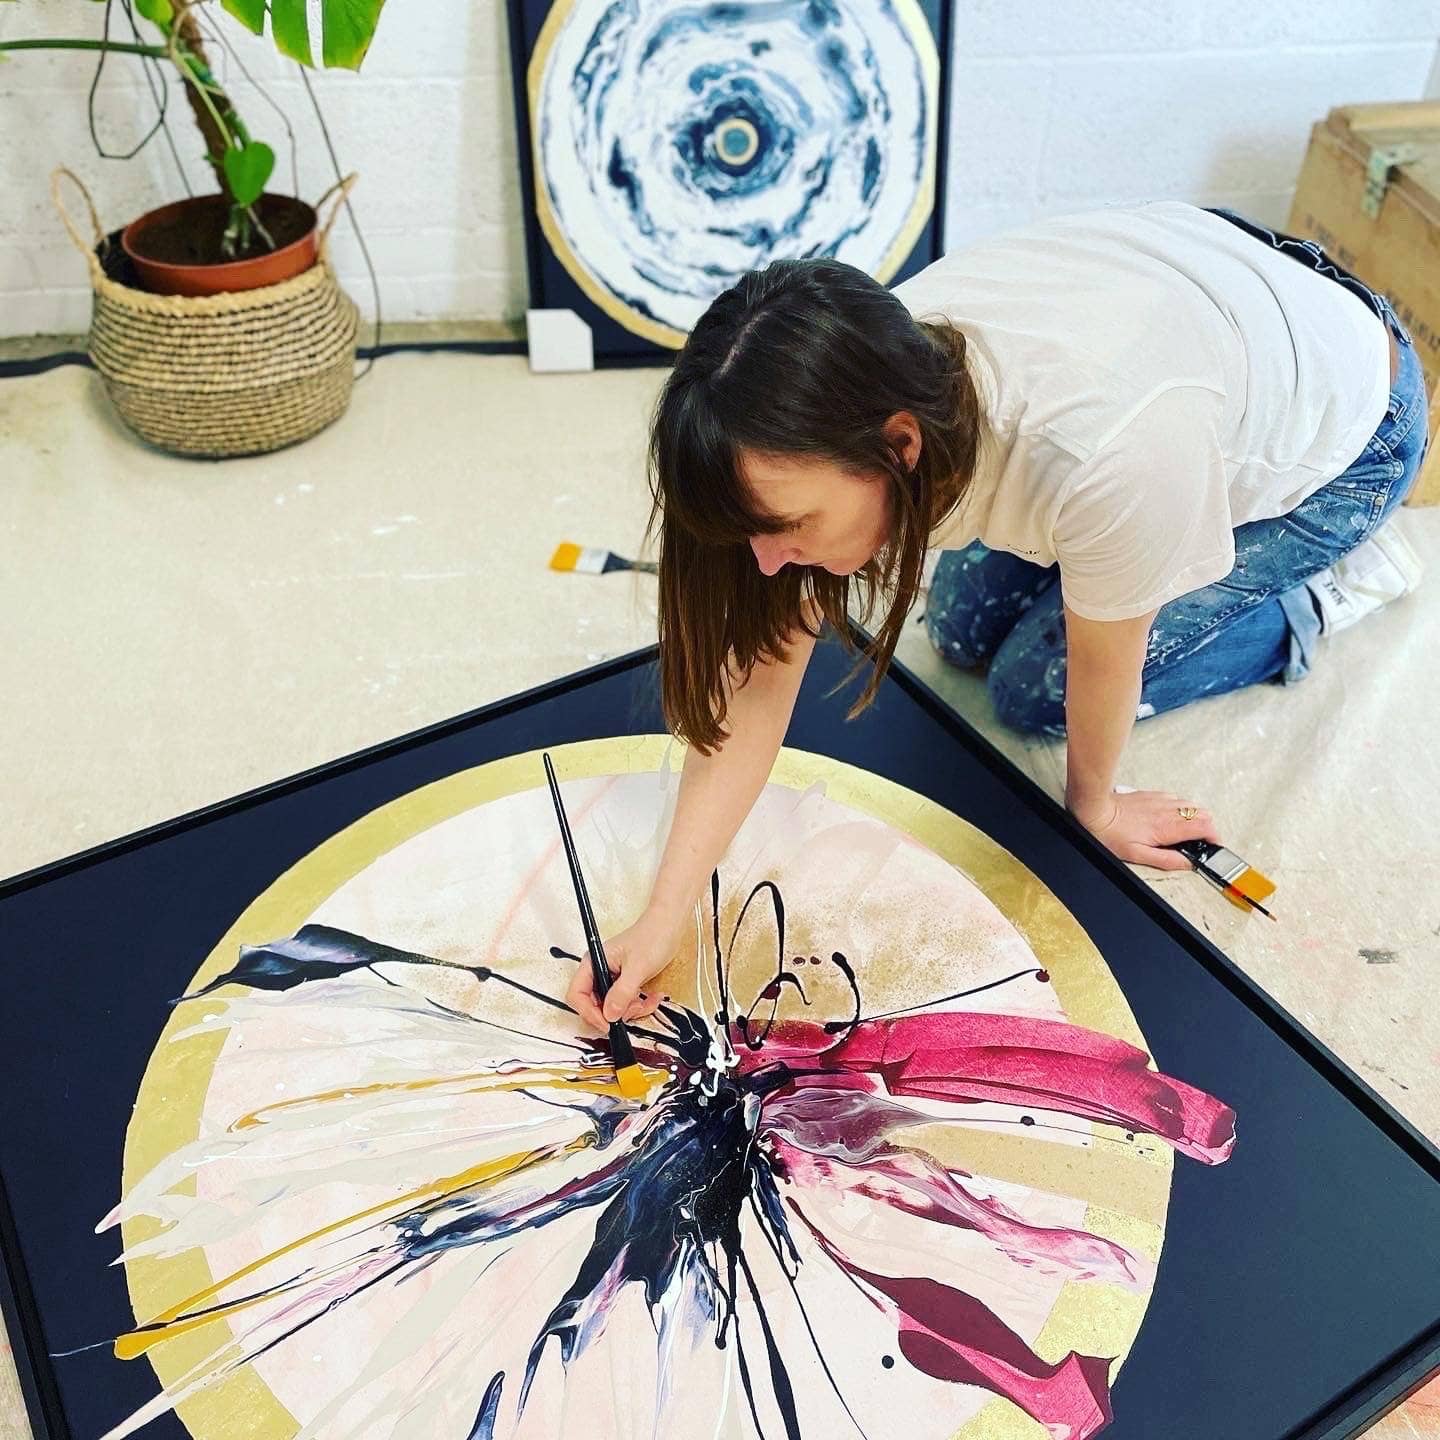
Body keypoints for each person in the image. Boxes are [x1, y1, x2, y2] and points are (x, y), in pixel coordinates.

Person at [567, 200, 1427, 1032]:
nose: (762, 562)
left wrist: (1096, 805)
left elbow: (1104, 655)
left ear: (901, 447)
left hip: (1354, 419)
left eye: (789, 528)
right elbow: (759, 673)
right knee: (960, 630)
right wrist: (662, 915)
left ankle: (1338, 585)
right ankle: (1129, 544)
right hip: (1218, 297)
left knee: (1032, 688)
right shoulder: (857, 381)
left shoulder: (1107, 455)